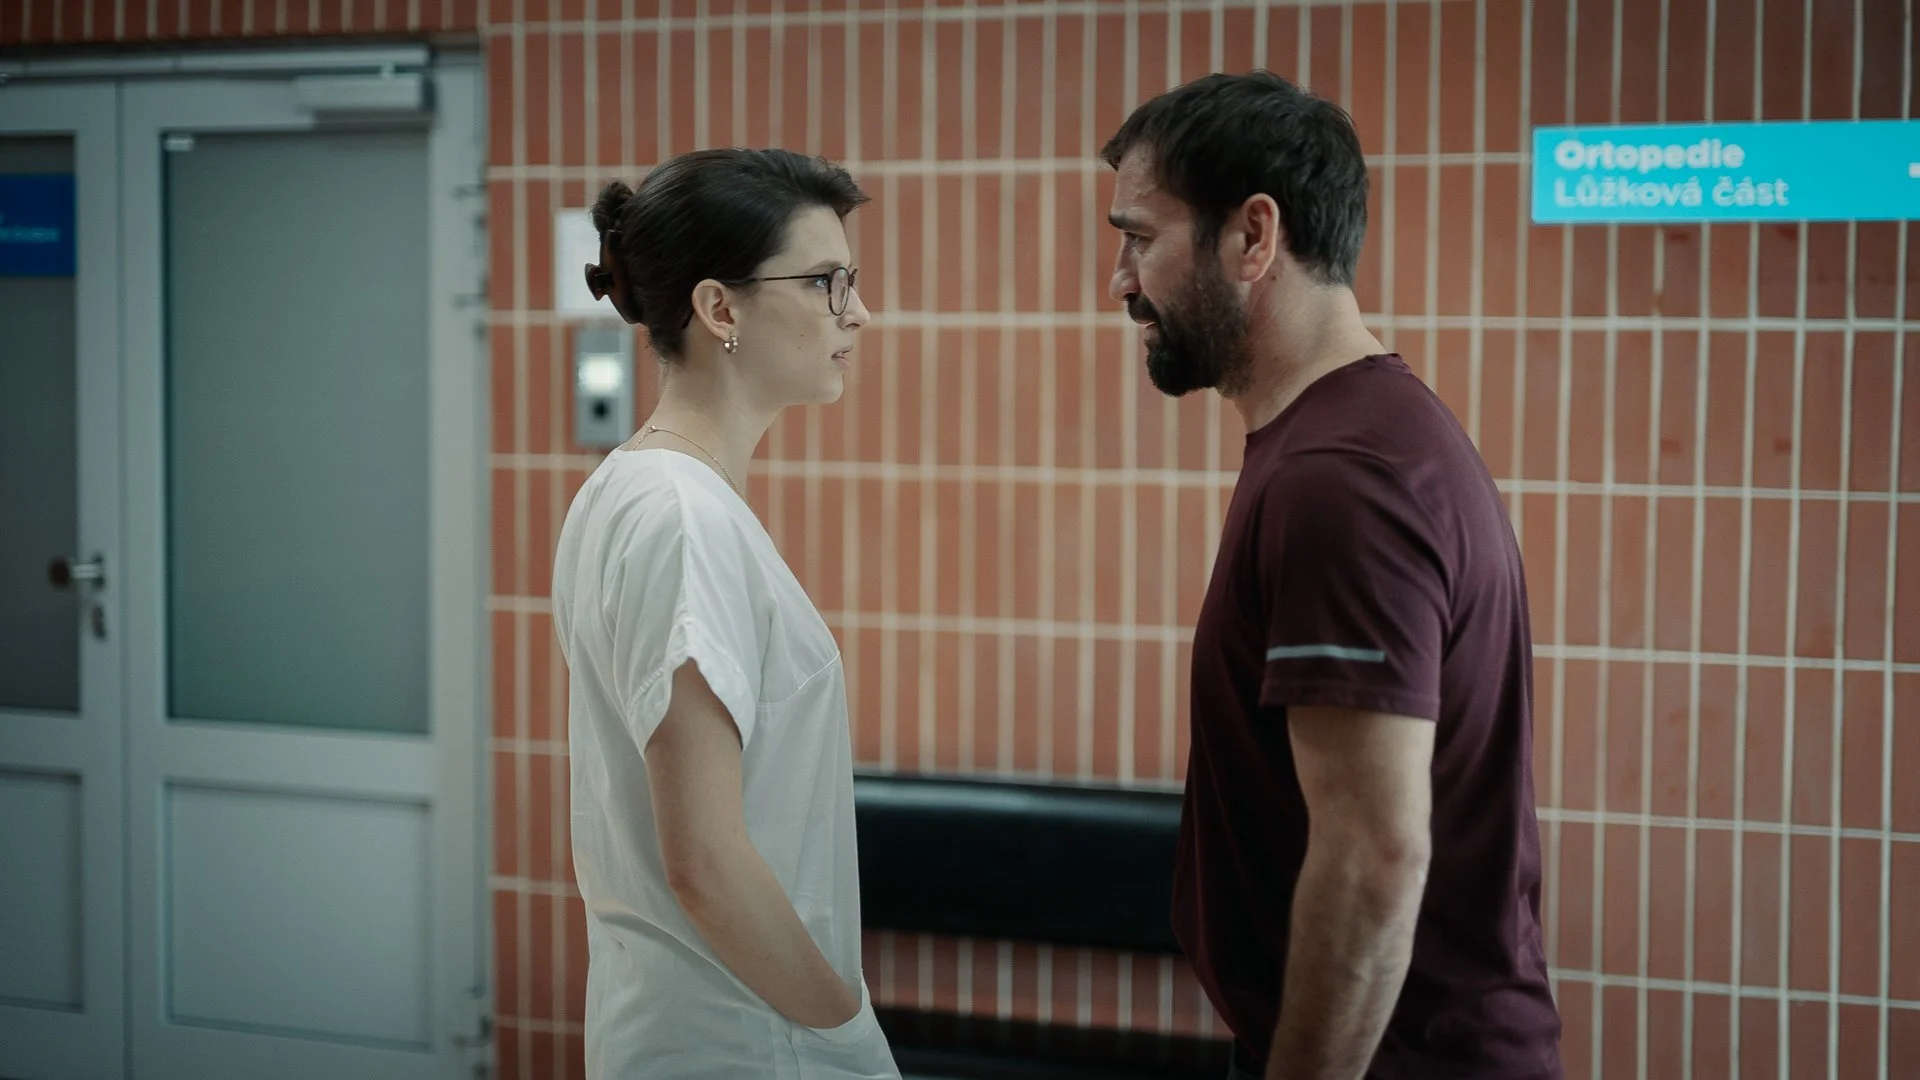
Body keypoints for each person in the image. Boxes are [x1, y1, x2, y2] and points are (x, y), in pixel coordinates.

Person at [1099, 72, 1563, 1080]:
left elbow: (1372, 857)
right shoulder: (1351, 441)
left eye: (1140, 237)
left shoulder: (1341, 479)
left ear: (1253, 236)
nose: (1121, 281)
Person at [551, 148, 898, 1080]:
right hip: (748, 1043)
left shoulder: (633, 489)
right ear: (721, 309)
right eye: (826, 282)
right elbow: (703, 859)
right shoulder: (681, 516)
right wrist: (847, 1033)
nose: (858, 312)